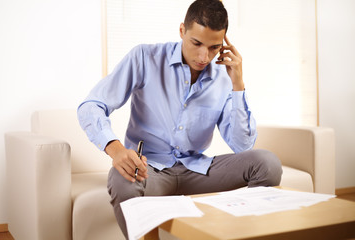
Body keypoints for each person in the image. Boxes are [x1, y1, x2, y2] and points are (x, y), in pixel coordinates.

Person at [77, 0, 282, 238]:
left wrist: (238, 84)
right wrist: (115, 149)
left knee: (267, 164)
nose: (204, 56)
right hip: (149, 171)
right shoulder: (145, 57)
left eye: (214, 47)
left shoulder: (224, 77)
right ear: (182, 30)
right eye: (196, 43)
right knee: (121, 179)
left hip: (197, 170)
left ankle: (240, 233)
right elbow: (91, 105)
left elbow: (242, 145)